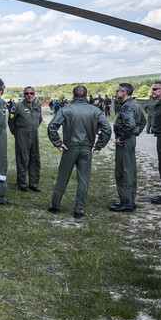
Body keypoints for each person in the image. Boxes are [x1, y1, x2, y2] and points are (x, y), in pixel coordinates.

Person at [47, 85, 111, 219]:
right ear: (86, 96)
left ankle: (56, 205)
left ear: (73, 96)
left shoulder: (66, 109)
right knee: (84, 178)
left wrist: (58, 143)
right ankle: (79, 209)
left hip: (70, 147)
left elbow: (52, 126)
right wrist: (98, 146)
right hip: (87, 148)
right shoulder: (95, 110)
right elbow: (107, 129)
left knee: (63, 176)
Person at [110, 83, 146, 213]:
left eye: (118, 91)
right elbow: (142, 122)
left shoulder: (127, 106)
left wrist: (123, 138)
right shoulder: (135, 104)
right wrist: (134, 134)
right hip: (130, 139)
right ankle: (130, 200)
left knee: (123, 170)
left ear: (124, 92)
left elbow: (130, 125)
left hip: (125, 142)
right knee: (130, 169)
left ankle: (126, 203)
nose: (116, 92)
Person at [8, 86, 42, 192]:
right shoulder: (17, 107)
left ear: (34, 94)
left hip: (34, 135)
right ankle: (22, 183)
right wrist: (17, 133)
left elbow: (39, 119)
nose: (29, 95)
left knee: (35, 158)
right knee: (23, 159)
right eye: (27, 93)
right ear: (24, 95)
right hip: (22, 136)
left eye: (31, 93)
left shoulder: (37, 106)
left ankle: (33, 183)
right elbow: (11, 121)